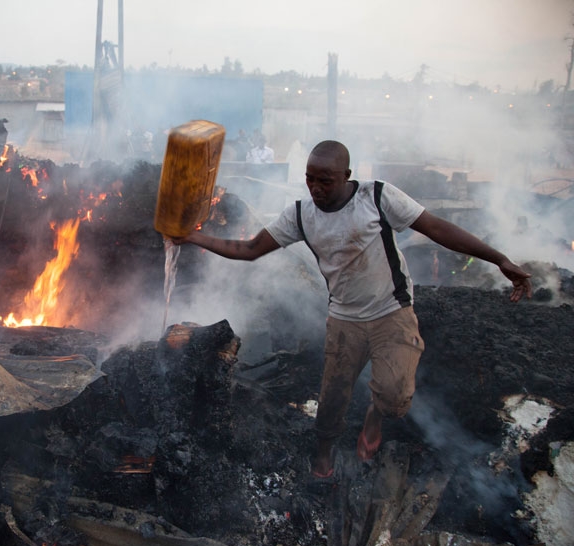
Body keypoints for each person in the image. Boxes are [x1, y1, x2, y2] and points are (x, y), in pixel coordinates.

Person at [172, 140, 532, 478]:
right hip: (344, 319)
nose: (315, 188)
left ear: (346, 176)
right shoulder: (300, 215)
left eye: (325, 181)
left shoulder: (375, 196)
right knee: (332, 399)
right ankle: (325, 449)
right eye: (309, 179)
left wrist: (499, 259)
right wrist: (193, 236)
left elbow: (436, 227)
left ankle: (375, 414)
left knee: (394, 397)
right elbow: (249, 249)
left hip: (393, 310)